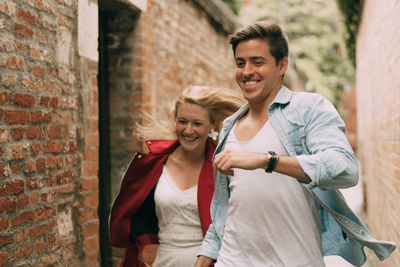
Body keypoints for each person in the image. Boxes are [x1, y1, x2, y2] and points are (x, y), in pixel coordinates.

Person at [195, 21, 396, 267]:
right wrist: (204, 258)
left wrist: (266, 160)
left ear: (282, 65)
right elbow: (225, 208)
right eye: (240, 63)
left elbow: (345, 168)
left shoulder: (309, 109)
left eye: (258, 62)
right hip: (232, 261)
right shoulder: (229, 127)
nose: (246, 71)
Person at [109, 85, 245, 267]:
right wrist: (145, 242)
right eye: (182, 121)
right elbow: (137, 212)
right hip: (161, 261)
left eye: (197, 123)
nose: (188, 131)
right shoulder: (152, 163)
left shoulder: (223, 167)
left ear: (212, 125)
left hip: (210, 262)